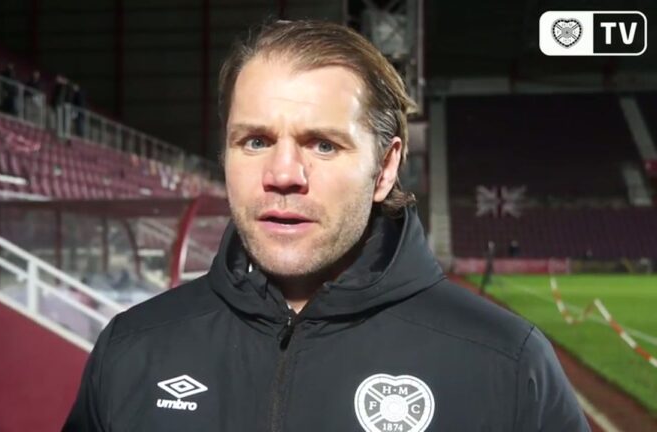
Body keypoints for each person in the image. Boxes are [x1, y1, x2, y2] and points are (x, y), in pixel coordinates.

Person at [64, 20, 589, 431]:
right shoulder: (132, 347)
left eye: (322, 144)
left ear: (385, 168)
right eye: (255, 141)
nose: (283, 175)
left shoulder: (505, 362)